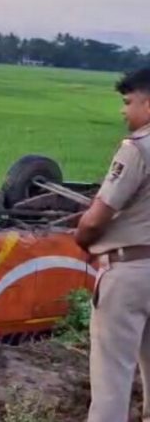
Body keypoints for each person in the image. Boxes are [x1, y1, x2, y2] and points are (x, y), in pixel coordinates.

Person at [75, 66, 150, 422]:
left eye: (128, 101)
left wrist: (84, 239)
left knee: (112, 379)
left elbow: (96, 217)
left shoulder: (137, 149)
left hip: (130, 272)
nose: (124, 111)